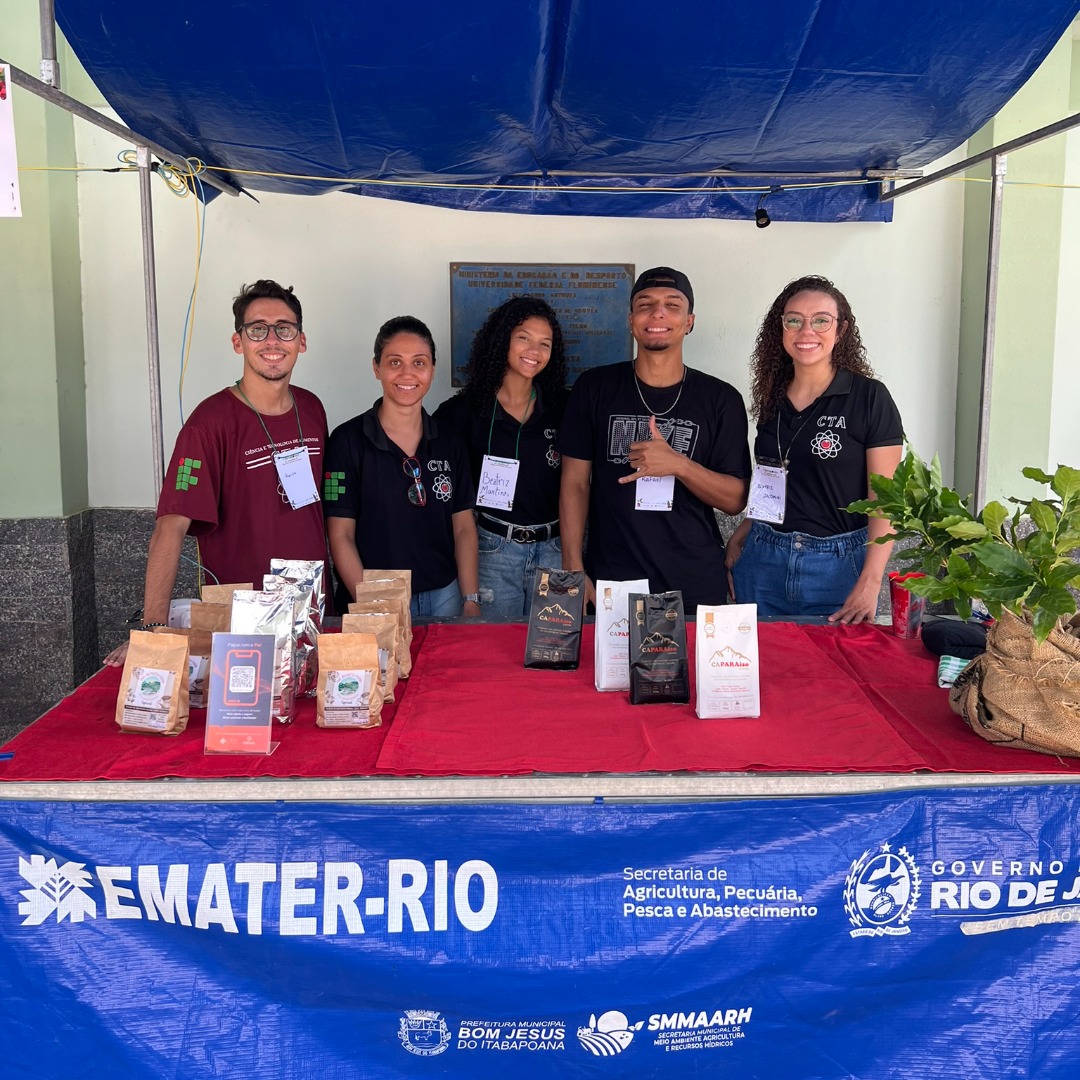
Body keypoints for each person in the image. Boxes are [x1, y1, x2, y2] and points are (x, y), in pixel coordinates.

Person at [105, 279, 328, 666]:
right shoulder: (207, 425)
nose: (272, 340)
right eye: (257, 329)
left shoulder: (311, 409)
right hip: (238, 623)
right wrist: (154, 629)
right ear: (238, 342)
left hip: (308, 612)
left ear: (301, 341)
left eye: (284, 329)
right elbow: (170, 525)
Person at [558, 266, 751, 613]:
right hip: (612, 579)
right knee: (606, 670)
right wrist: (574, 567)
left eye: (672, 305)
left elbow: (735, 500)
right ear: (631, 320)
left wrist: (678, 465)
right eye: (645, 304)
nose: (658, 312)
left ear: (689, 321)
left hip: (692, 580)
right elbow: (575, 484)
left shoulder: (721, 399)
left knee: (688, 671)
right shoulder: (594, 388)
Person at [727, 275, 904, 622]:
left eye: (821, 320)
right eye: (794, 320)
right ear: (781, 328)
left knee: (831, 673)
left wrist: (871, 581)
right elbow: (773, 476)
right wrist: (743, 532)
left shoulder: (869, 398)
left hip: (837, 566)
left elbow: (885, 501)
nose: (806, 330)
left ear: (841, 330)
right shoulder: (772, 398)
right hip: (763, 558)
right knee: (765, 672)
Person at [323, 316, 480, 618]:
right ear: (376, 368)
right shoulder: (347, 441)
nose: (407, 374)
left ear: (432, 370)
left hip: (444, 595)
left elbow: (463, 526)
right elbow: (340, 535)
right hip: (374, 596)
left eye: (419, 363)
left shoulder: (450, 440)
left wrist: (470, 598)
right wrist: (372, 607)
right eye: (395, 362)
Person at [434, 296, 569, 616]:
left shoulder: (564, 408)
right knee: (495, 652)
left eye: (544, 343)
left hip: (554, 550)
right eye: (523, 337)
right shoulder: (461, 413)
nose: (534, 351)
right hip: (491, 549)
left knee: (553, 652)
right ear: (502, 339)